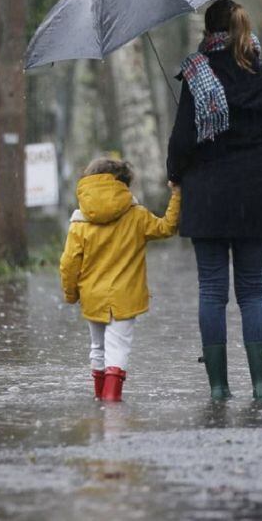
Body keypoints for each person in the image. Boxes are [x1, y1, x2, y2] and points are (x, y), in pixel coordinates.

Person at [166, 0, 262, 401]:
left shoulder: (197, 75)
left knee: (212, 291)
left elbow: (183, 141)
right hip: (256, 193)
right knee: (253, 290)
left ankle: (218, 387)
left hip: (209, 196)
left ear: (207, 30)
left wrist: (174, 173)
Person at [59, 157, 181, 402]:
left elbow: (69, 262)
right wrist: (177, 194)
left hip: (92, 296)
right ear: (123, 184)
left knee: (98, 347)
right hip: (125, 296)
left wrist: (71, 294)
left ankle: (99, 398)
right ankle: (112, 401)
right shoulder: (136, 215)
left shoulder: (79, 221)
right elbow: (167, 227)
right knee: (119, 348)